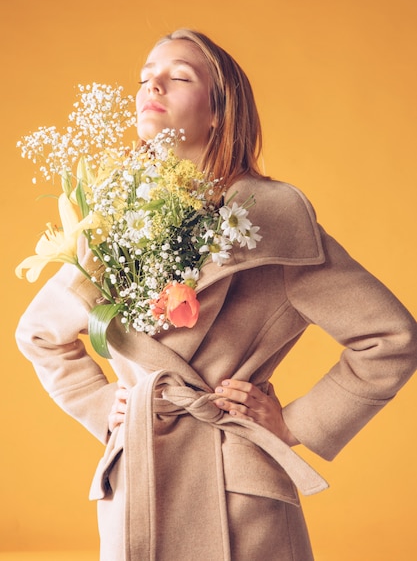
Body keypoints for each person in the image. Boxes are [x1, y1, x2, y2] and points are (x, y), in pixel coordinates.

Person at [16, 29, 417, 561]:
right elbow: (39, 333)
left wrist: (296, 423)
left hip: (237, 487)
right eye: (144, 77)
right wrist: (101, 406)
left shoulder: (272, 219)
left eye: (178, 77)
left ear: (219, 113)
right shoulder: (117, 216)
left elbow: (390, 336)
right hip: (139, 476)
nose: (150, 85)